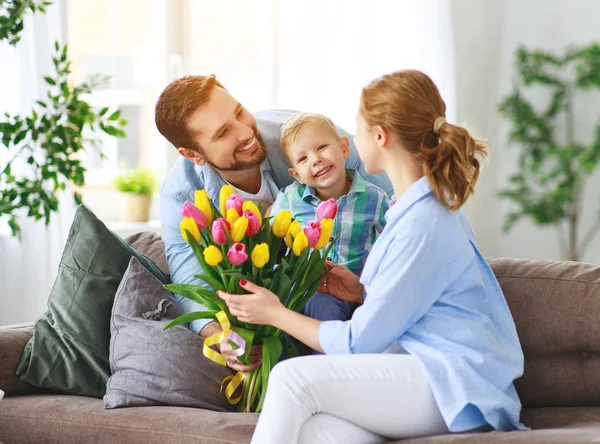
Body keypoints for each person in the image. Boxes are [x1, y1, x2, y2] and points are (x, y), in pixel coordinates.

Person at [217, 70, 527, 443]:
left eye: (357, 128)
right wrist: (363, 292)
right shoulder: (412, 209)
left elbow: (355, 344)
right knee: (319, 432)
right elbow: (414, 299)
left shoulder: (422, 221)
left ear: (379, 136)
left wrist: (275, 313)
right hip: (425, 373)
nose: (353, 136)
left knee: (291, 377)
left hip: (451, 382)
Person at [154, 75, 392, 373]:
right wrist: (222, 337)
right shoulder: (180, 195)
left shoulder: (303, 140)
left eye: (239, 112)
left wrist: (367, 292)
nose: (245, 132)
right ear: (192, 154)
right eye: (224, 132)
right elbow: (189, 280)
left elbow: (399, 199)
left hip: (350, 288)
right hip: (281, 306)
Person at [270, 111, 389, 323]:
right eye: (303, 158)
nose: (316, 160)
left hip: (352, 288)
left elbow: (394, 240)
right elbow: (269, 230)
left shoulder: (374, 198)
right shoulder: (290, 199)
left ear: (344, 148)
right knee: (301, 306)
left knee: (334, 309)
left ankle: (335, 352)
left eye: (321, 147)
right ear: (296, 174)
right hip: (306, 286)